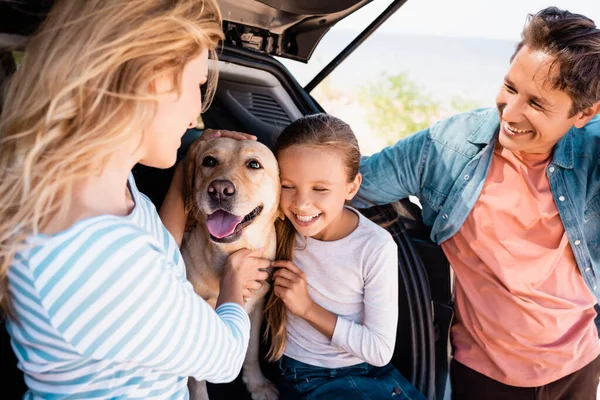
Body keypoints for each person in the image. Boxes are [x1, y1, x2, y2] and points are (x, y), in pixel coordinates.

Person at [0, 0, 270, 398]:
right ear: (153, 79)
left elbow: (151, 256)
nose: (197, 114)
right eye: (197, 85)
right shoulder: (95, 261)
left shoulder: (92, 182)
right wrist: (232, 285)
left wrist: (190, 165)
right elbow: (225, 359)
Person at [351, 7, 600, 399]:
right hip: (483, 377)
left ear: (585, 113)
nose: (511, 112)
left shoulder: (593, 154)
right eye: (510, 87)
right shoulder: (444, 147)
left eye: (536, 104)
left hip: (579, 367)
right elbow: (347, 184)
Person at [262, 114, 425, 400]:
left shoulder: (375, 246)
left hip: (370, 370)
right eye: (288, 186)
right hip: (308, 376)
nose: (301, 204)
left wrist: (307, 308)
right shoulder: (274, 225)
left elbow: (378, 350)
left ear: (352, 187)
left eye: (320, 189)